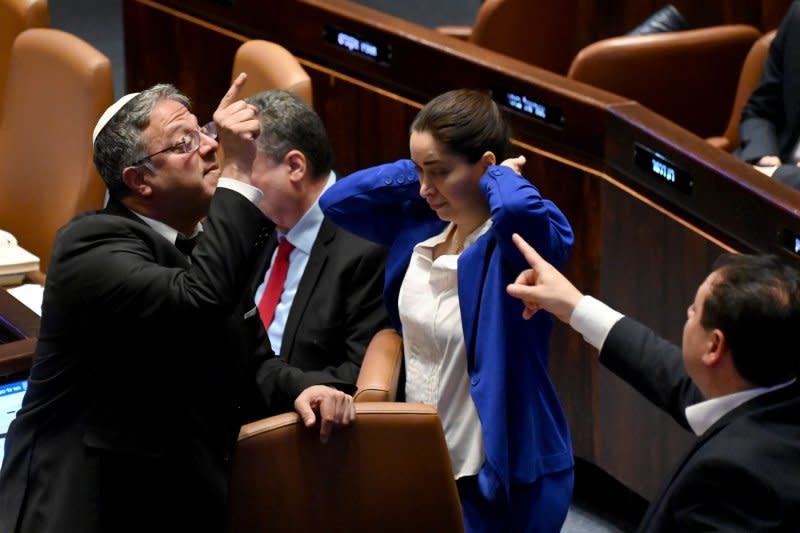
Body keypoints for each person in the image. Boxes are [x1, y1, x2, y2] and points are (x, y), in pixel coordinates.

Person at [0, 75, 355, 533]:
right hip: (91, 506)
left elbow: (254, 362)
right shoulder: (90, 245)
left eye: (204, 131)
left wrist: (302, 388)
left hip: (184, 494)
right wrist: (239, 175)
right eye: (186, 142)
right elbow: (198, 300)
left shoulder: (206, 242)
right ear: (139, 180)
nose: (211, 147)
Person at [320, 89, 575, 532]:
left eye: (438, 172)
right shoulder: (421, 224)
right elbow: (337, 200)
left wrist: (499, 179)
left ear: (486, 164)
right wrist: (420, 170)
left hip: (504, 474)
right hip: (424, 462)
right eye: (420, 171)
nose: (424, 188)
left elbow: (516, 206)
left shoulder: (516, 244)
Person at [507, 235, 800, 532]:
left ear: (714, 346)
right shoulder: (775, 394)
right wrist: (574, 305)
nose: (688, 313)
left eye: (695, 310)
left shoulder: (735, 482)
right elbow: (671, 374)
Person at [244, 89, 389, 412]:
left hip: (285, 427)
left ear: (295, 166)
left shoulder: (365, 247)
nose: (235, 182)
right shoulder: (260, 221)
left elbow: (357, 375)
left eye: (245, 169)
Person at [738, 0, 800, 188]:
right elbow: (759, 111)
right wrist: (765, 157)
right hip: (771, 163)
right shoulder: (798, 16)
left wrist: (775, 176)